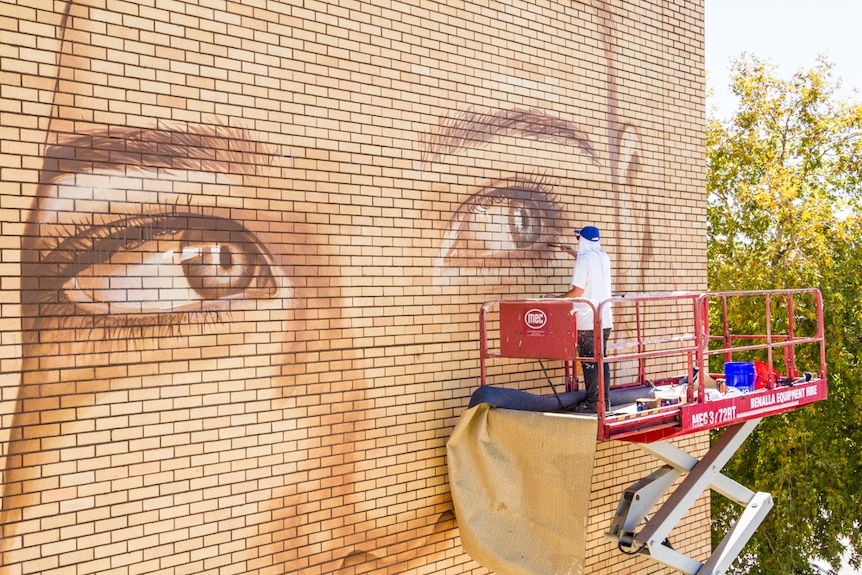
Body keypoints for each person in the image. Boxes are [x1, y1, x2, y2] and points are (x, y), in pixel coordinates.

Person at [0, 2, 652, 574]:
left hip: (589, 322)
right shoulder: (598, 255)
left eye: (516, 220)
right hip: (597, 323)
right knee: (591, 377)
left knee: (589, 373)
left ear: (641, 219)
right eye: (205, 261)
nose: (379, 511)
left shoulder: (588, 258)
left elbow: (577, 293)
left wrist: (561, 304)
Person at [553, 226, 614, 413]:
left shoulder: (584, 261)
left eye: (579, 239)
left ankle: (592, 403)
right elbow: (589, 265)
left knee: (589, 363)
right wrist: (572, 253)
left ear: (584, 241)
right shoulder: (603, 257)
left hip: (587, 321)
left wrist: (555, 299)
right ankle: (605, 401)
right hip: (605, 318)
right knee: (601, 360)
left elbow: (576, 292)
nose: (578, 242)